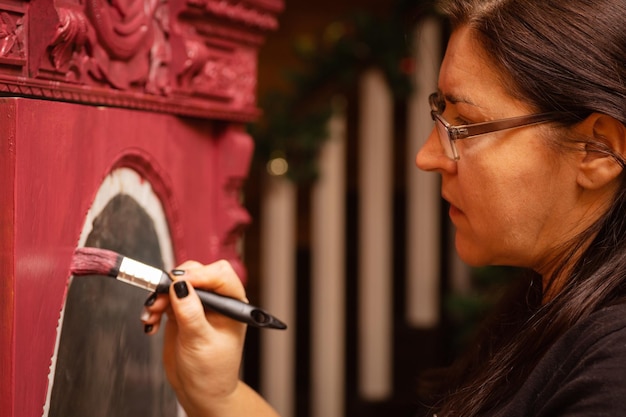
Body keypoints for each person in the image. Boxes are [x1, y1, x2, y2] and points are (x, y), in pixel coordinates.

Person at [142, 0, 626, 415]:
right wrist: (219, 394)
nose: (427, 156)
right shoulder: (542, 309)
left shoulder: (612, 368)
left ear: (595, 150)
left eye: (463, 124)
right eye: (441, 115)